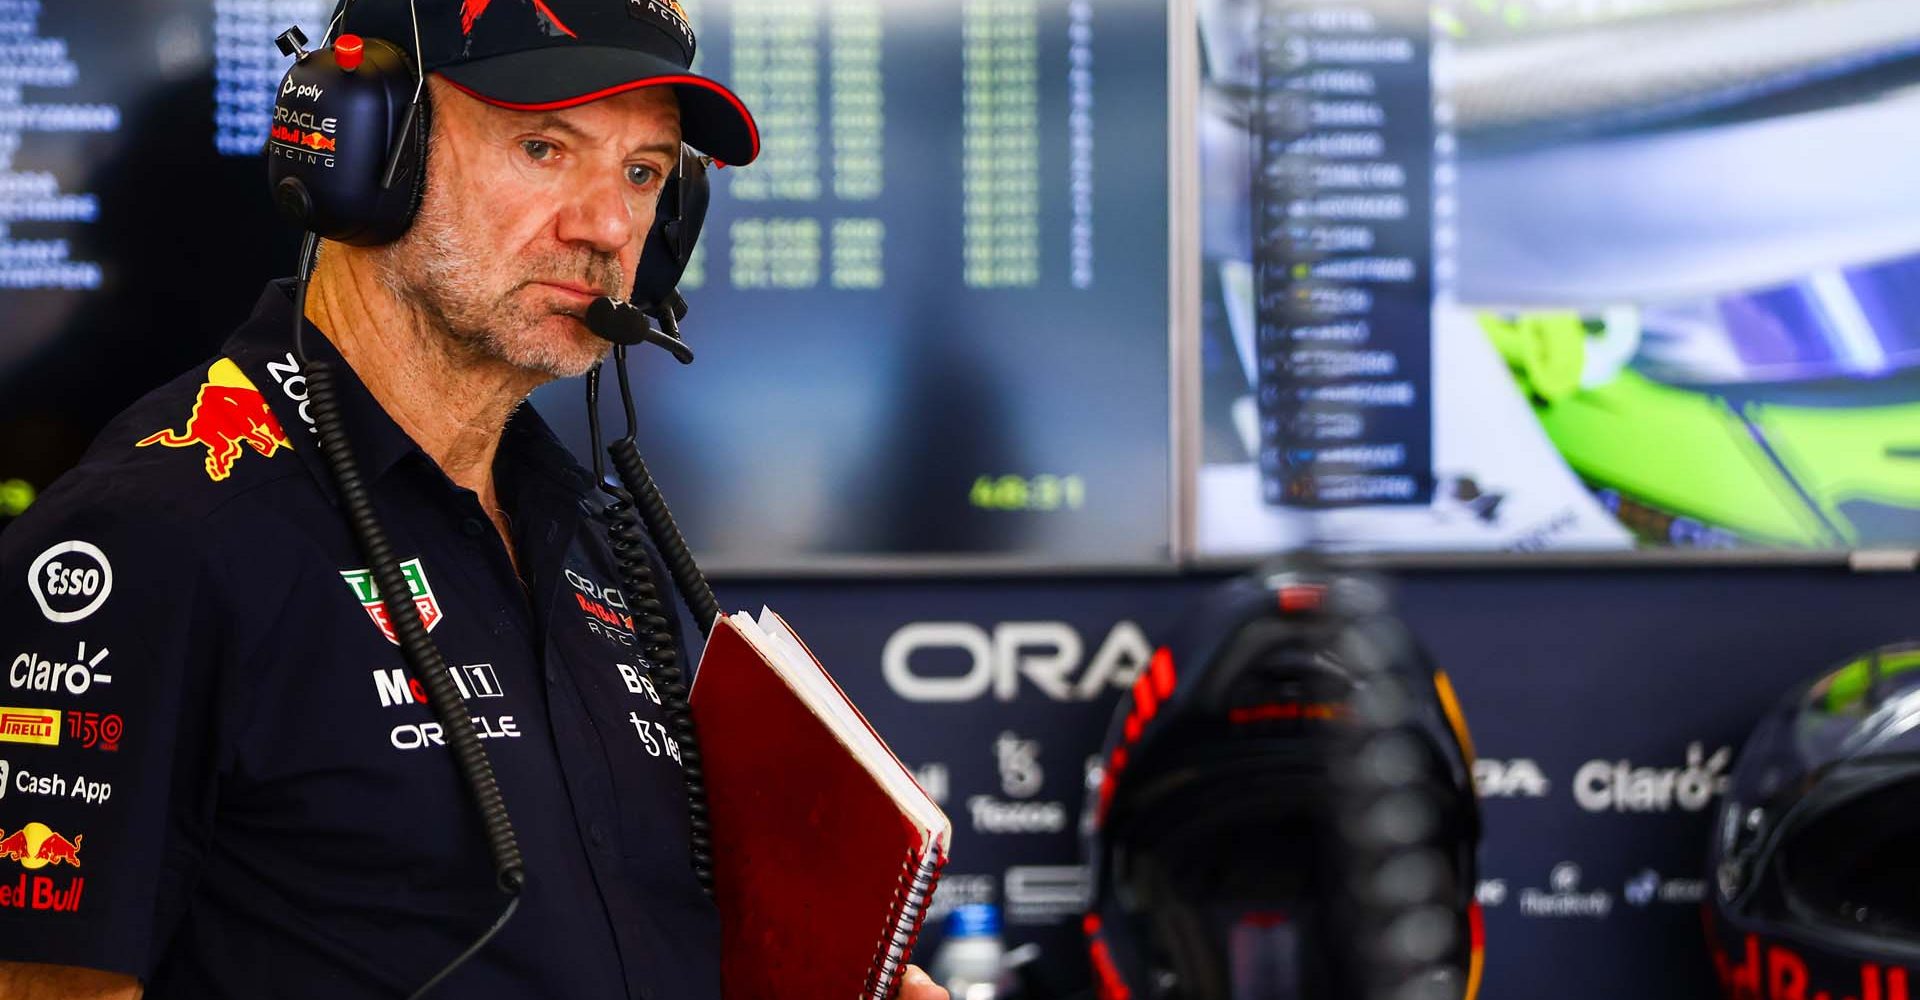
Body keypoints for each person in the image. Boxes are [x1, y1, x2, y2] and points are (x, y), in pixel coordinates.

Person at [0, 1, 949, 997]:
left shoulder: (590, 540)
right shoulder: (158, 536)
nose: (608, 226)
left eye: (643, 171)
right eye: (544, 148)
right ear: (363, 152)